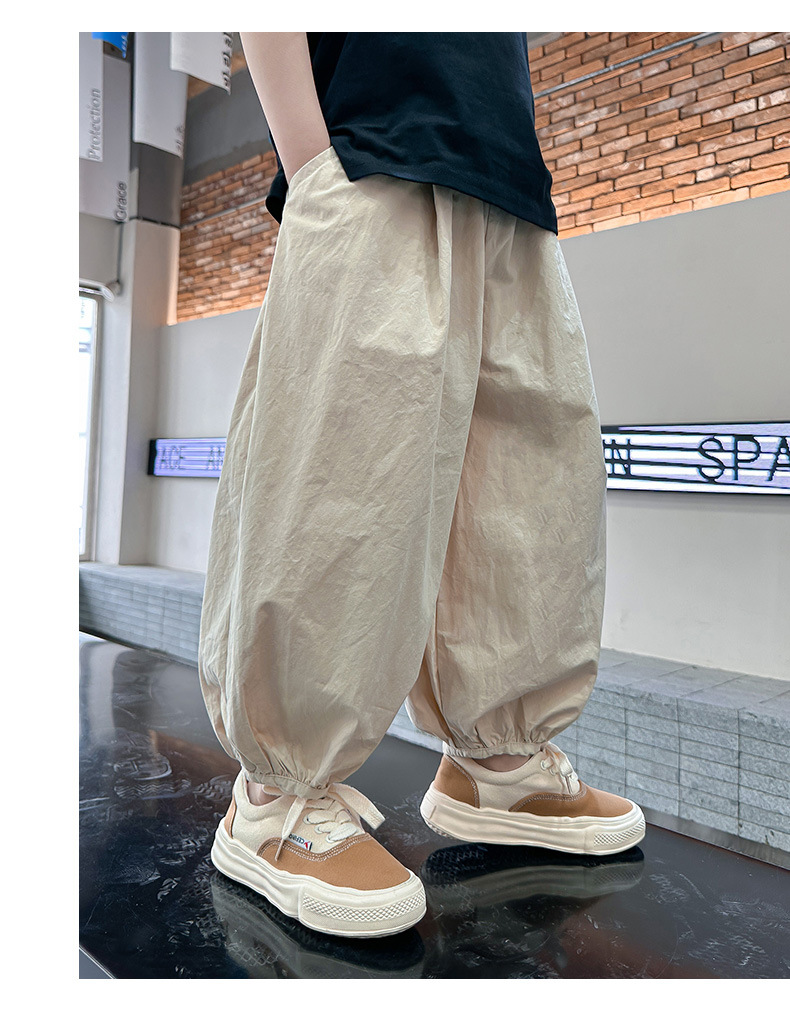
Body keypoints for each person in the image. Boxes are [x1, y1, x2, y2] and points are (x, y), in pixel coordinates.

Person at [197, 31, 645, 940]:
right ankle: (275, 796)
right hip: (371, 156)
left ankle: (498, 764)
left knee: (529, 500)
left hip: (508, 182)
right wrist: (312, 165)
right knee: (340, 482)